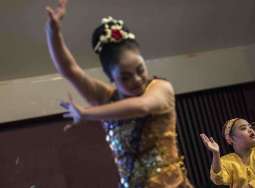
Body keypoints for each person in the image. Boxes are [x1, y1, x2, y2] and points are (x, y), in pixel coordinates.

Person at [45, 0, 193, 187]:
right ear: (112, 79)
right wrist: (53, 32)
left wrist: (86, 113)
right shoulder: (106, 98)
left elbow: (142, 106)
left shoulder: (160, 88)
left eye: (140, 69)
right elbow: (69, 70)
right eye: (125, 77)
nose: (137, 80)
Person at [200, 118, 255, 188]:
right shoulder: (226, 161)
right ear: (230, 139)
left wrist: (250, 186)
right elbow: (218, 179)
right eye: (243, 128)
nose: (250, 130)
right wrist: (216, 153)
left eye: (250, 127)